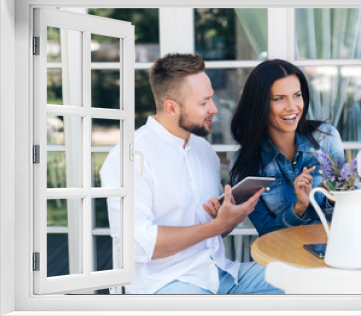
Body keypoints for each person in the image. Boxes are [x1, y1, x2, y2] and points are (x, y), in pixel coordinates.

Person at [100, 53, 282, 295]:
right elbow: (137, 244)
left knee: (298, 280)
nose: (214, 109)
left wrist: (230, 218)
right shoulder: (130, 156)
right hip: (166, 284)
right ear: (171, 108)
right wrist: (216, 227)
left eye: (212, 99)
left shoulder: (204, 151)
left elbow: (215, 229)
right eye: (204, 103)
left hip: (220, 275)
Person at [228, 59, 345, 236]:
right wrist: (299, 208)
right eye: (278, 99)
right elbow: (266, 233)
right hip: (283, 258)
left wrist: (332, 197)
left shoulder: (326, 138)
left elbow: (347, 213)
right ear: (259, 105)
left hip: (333, 251)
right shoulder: (245, 163)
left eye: (297, 95)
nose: (292, 107)